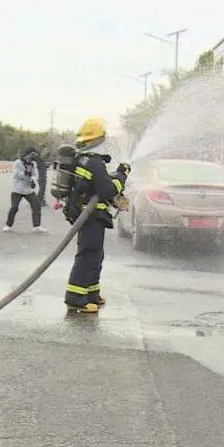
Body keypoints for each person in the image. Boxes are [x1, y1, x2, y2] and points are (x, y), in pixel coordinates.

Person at [63, 118, 129, 314]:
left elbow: (95, 184)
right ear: (100, 139)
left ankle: (92, 294)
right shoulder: (95, 162)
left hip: (87, 214)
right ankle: (75, 298)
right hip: (90, 215)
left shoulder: (83, 158)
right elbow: (108, 190)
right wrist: (122, 176)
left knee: (95, 255)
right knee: (88, 255)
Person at [4, 148, 46, 233]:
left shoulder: (33, 164)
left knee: (36, 205)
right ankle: (8, 225)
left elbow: (35, 175)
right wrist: (25, 173)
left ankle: (36, 226)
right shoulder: (17, 163)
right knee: (14, 207)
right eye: (29, 156)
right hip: (17, 189)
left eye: (32, 157)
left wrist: (32, 180)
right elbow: (16, 175)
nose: (30, 158)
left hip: (28, 190)